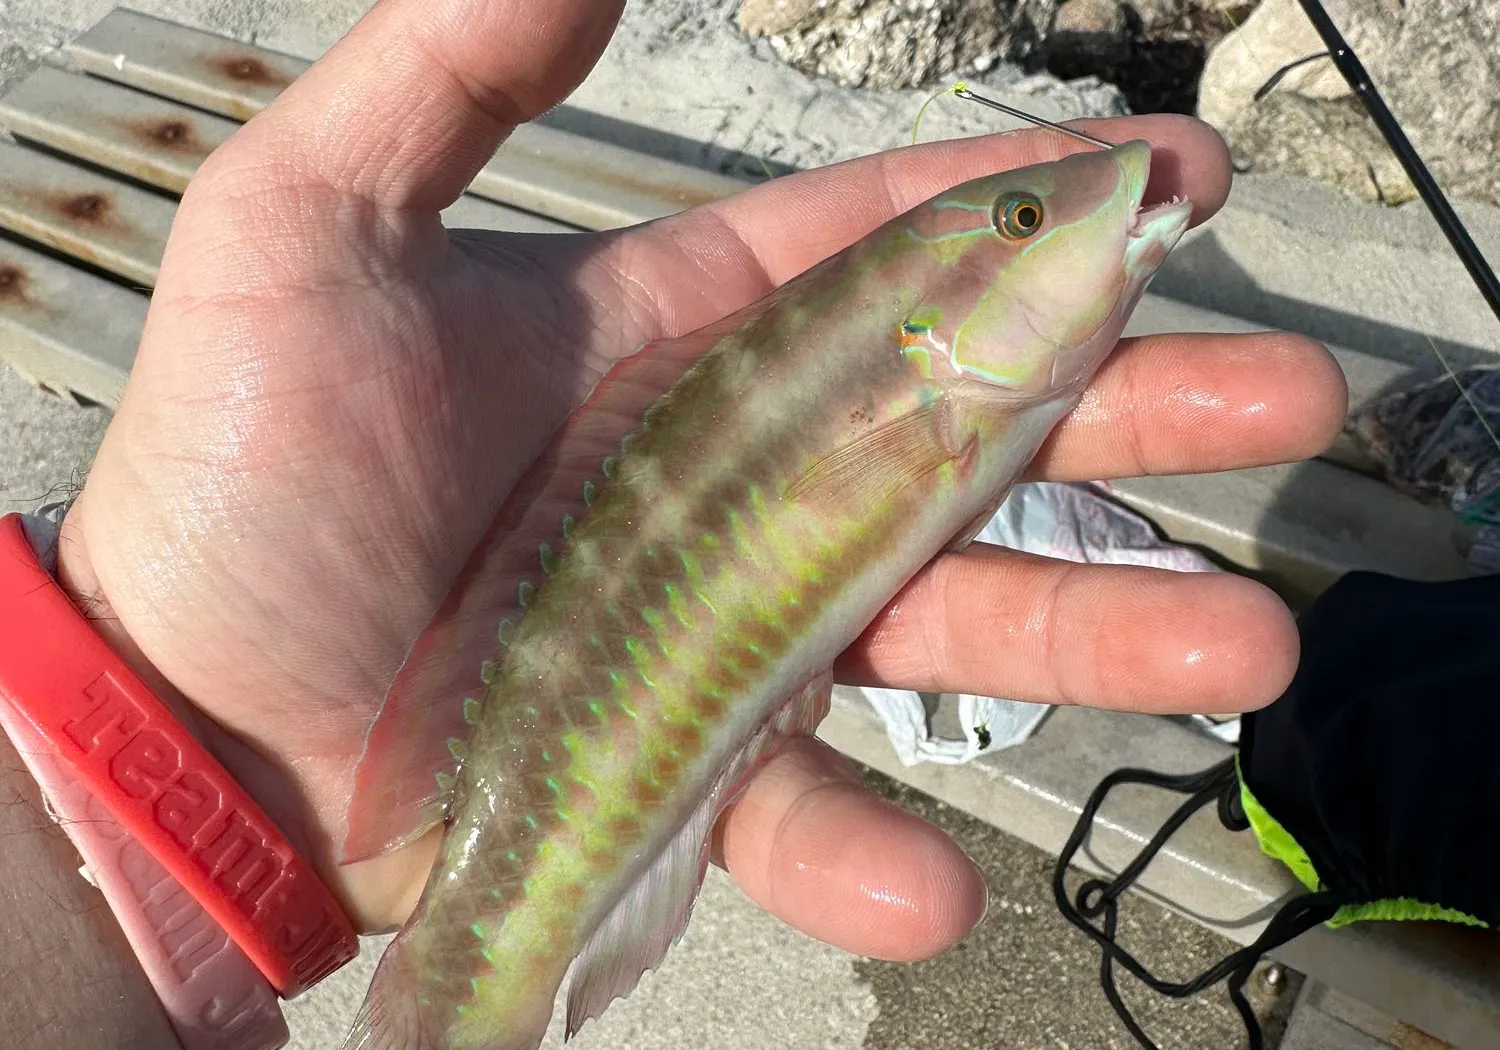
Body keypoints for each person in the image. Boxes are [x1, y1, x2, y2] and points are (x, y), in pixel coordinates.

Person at [0, 0, 1348, 1044]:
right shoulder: (933, 388)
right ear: (933, 325)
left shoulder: (950, 382)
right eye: (1017, 217)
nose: (1087, 195)